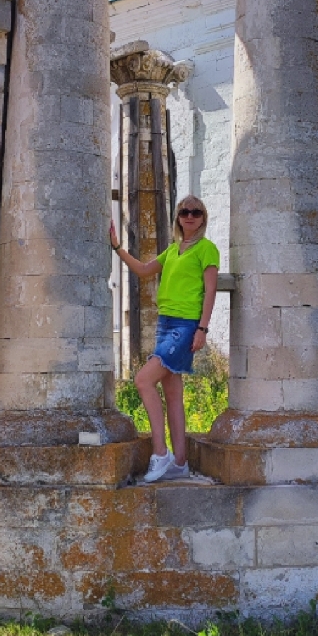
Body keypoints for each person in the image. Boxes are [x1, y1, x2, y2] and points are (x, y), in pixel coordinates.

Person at [110, 196, 219, 483]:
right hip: (165, 322)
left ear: (203, 218)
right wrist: (118, 248)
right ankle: (180, 463)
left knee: (143, 380)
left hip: (184, 326)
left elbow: (210, 291)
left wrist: (202, 329)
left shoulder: (207, 250)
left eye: (196, 212)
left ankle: (160, 453)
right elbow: (145, 270)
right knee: (173, 395)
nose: (190, 216)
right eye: (184, 212)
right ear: (178, 218)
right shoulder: (172, 251)